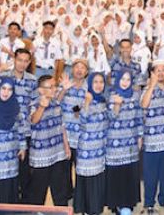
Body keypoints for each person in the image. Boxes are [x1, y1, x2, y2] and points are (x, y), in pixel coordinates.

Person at [0, 48, 37, 200]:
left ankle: (23, 206)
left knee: (24, 172)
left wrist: (33, 109)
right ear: (14, 59)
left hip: (24, 130)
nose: (22, 64)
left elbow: (35, 100)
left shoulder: (32, 80)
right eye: (20, 60)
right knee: (8, 172)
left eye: (26, 61)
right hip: (5, 129)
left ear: (29, 62)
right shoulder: (3, 77)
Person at [24, 75, 71, 206]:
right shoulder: (34, 104)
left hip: (58, 154)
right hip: (41, 156)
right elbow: (33, 121)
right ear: (40, 90)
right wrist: (42, 107)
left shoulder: (56, 103)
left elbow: (62, 127)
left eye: (54, 86)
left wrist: (66, 146)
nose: (54, 89)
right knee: (38, 192)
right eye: (50, 87)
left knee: (60, 191)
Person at [141, 60, 164, 214]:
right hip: (151, 141)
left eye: (163, 70)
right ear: (152, 73)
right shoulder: (147, 89)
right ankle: (149, 204)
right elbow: (144, 105)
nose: (161, 73)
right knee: (150, 176)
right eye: (158, 70)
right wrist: (152, 85)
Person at [105, 69, 143, 214]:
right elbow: (109, 118)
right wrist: (116, 105)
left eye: (128, 79)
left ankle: (128, 204)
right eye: (123, 79)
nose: (125, 82)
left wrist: (140, 136)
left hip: (130, 144)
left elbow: (139, 117)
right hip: (114, 145)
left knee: (129, 175)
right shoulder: (111, 96)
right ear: (117, 80)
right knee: (116, 175)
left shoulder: (135, 96)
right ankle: (116, 204)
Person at [73, 72, 109, 215]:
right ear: (89, 84)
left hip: (100, 148)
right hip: (87, 149)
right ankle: (84, 209)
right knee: (86, 180)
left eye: (101, 82)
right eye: (95, 82)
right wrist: (87, 102)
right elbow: (80, 120)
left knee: (97, 180)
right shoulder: (82, 100)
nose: (99, 85)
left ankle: (94, 209)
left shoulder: (104, 101)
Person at [58, 59, 89, 201]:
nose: (79, 70)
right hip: (65, 134)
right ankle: (66, 195)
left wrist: (81, 109)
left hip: (82, 135)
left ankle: (79, 197)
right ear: (72, 70)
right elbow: (55, 103)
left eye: (83, 68)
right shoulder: (65, 85)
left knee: (80, 167)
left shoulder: (89, 88)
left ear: (86, 72)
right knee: (64, 169)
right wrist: (64, 89)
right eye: (77, 67)